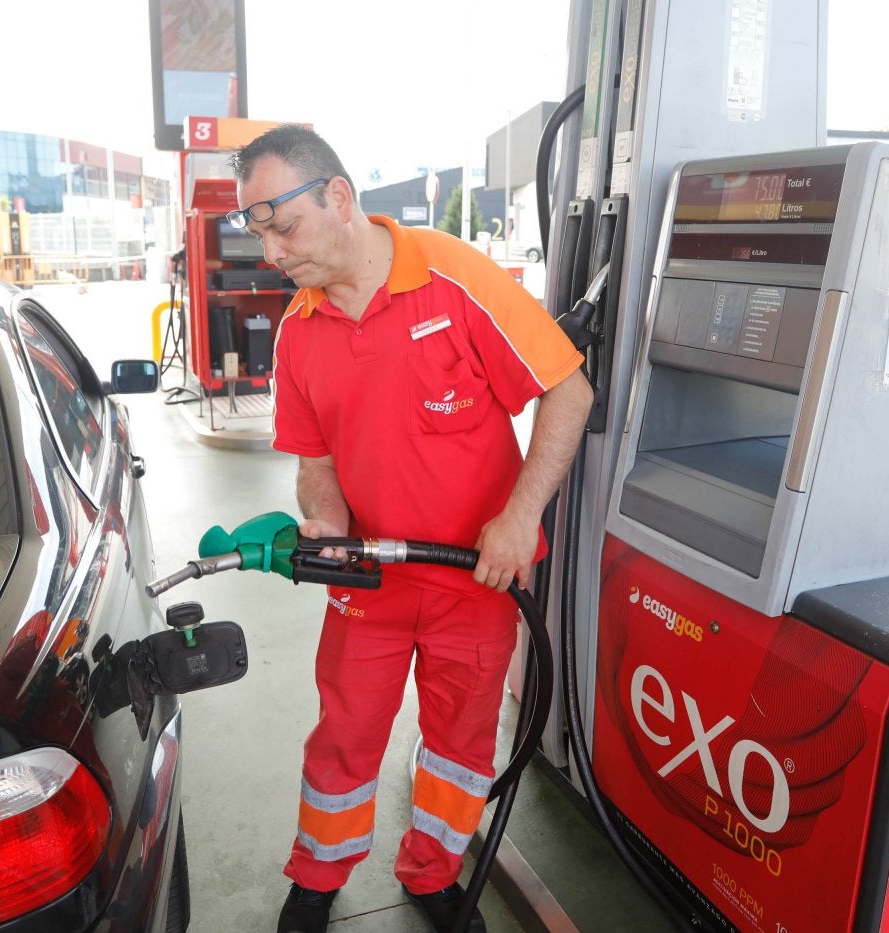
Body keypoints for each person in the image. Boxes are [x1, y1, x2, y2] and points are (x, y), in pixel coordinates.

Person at [230, 125, 593, 933]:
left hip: (479, 578)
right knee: (345, 734)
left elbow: (569, 390)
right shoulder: (299, 331)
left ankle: (431, 870)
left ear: (338, 197)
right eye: (258, 234)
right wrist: (322, 519)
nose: (274, 253)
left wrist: (520, 515)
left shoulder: (454, 277)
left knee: (460, 739)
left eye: (281, 226)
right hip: (370, 580)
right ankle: (318, 876)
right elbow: (314, 457)